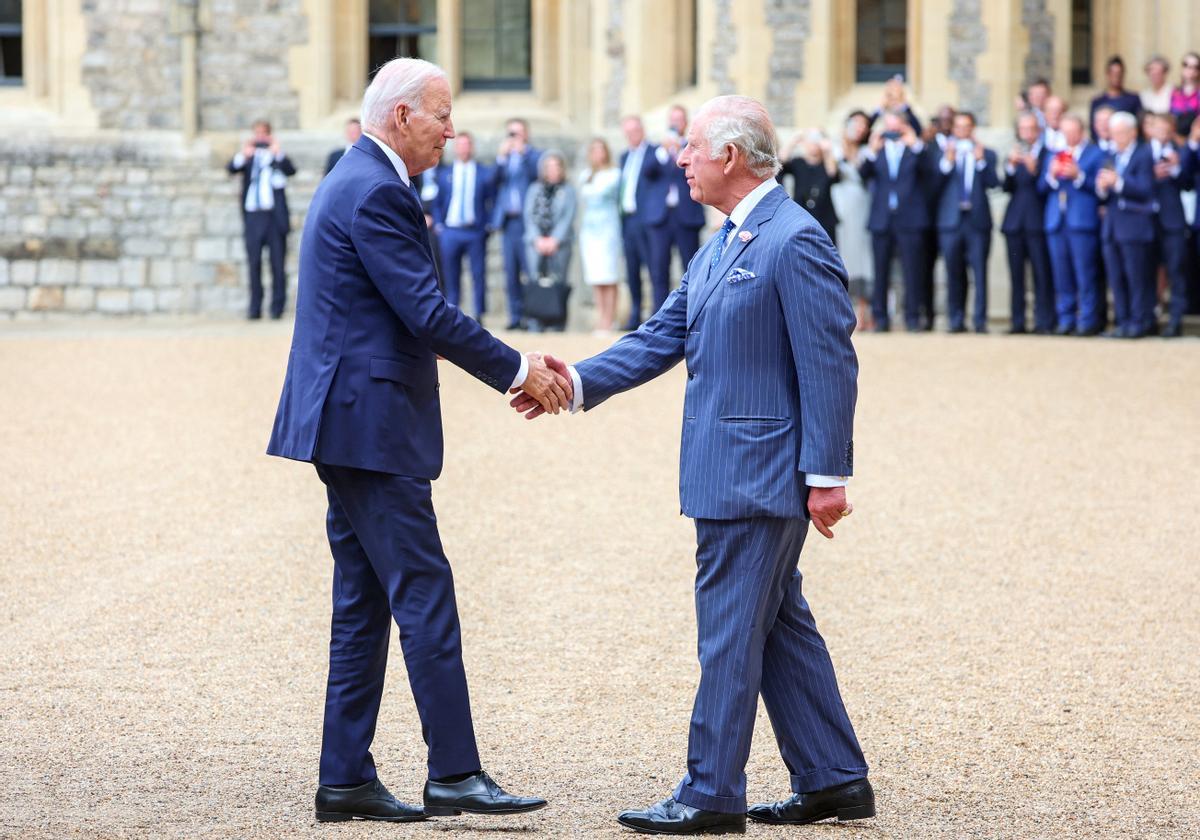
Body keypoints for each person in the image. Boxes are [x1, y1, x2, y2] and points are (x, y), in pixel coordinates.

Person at [513, 93, 872, 837]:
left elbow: (831, 362)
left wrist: (829, 475)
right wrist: (571, 382)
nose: (679, 159)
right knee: (776, 627)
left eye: (691, 148)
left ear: (731, 158)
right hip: (731, 472)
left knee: (729, 635)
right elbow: (658, 336)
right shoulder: (723, 243)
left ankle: (710, 792)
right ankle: (834, 778)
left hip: (757, 476)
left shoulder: (792, 239)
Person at [266, 57, 566, 825]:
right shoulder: (374, 191)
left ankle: (345, 778)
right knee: (424, 592)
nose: (452, 131)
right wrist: (520, 368)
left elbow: (397, 310)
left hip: (351, 421)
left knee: (363, 602)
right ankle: (456, 773)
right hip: (369, 426)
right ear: (401, 116)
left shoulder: (358, 178)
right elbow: (427, 313)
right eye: (441, 115)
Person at [860, 109, 935, 332]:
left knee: (912, 271)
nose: (892, 132)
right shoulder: (878, 151)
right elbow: (863, 174)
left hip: (910, 219)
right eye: (888, 127)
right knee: (880, 271)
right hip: (882, 219)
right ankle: (881, 319)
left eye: (896, 128)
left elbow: (930, 173)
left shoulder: (915, 150)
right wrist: (872, 151)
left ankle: (913, 318)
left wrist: (916, 145)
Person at [1039, 113, 1104, 335]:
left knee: (1085, 273)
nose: (1067, 136)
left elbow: (1100, 188)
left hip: (1082, 222)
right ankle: (1065, 318)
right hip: (1057, 221)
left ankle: (1087, 319)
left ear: (1081, 132)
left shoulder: (1095, 154)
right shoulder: (1053, 155)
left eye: (1071, 132)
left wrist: (1079, 175)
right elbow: (1042, 187)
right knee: (1061, 274)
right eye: (1064, 132)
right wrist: (1052, 175)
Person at [935, 112, 999, 333]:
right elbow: (933, 185)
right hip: (950, 222)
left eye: (967, 126)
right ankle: (955, 319)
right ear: (953, 129)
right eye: (958, 126)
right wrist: (947, 161)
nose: (962, 130)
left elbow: (994, 183)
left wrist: (981, 161)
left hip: (977, 222)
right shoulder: (943, 154)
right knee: (953, 272)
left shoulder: (987, 154)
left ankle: (980, 320)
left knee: (979, 272)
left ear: (973, 128)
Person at [226, 120, 296, 320]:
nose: (260, 138)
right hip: (253, 215)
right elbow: (231, 167)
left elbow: (291, 170)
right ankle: (254, 307)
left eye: (264, 134)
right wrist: (244, 152)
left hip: (273, 216)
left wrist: (277, 152)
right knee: (254, 262)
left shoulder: (276, 157)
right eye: (257, 134)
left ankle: (277, 307)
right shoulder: (248, 158)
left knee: (277, 263)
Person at [1096, 111, 1155, 338]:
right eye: (1113, 133)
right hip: (1111, 226)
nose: (1116, 137)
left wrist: (1118, 182)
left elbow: (1146, 189)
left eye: (1120, 133)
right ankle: (1122, 321)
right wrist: (1102, 186)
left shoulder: (1143, 155)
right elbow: (1102, 193)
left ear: (1133, 132)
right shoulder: (1110, 156)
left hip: (1134, 226)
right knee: (1116, 277)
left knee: (1136, 277)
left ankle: (1139, 321)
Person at [432, 132, 495, 320]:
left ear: (472, 147)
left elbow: (491, 200)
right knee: (450, 274)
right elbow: (438, 201)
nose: (464, 148)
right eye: (460, 145)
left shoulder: (484, 172)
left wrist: (488, 225)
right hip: (450, 231)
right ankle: (452, 314)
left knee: (478, 274)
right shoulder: (444, 173)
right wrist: (439, 224)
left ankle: (478, 315)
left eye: (467, 144)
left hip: (474, 231)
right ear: (455, 148)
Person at [1002, 111, 1055, 334]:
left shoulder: (1047, 154)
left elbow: (1045, 187)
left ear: (1039, 131)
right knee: (1016, 276)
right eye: (1023, 129)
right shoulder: (1015, 153)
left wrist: (1034, 170)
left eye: (1031, 129)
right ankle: (1018, 321)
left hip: (1037, 222)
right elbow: (1006, 187)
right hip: (1015, 222)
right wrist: (1011, 167)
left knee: (1041, 274)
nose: (1027, 133)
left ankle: (1044, 321)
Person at [619, 115, 670, 329]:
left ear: (643, 130)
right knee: (631, 270)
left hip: (647, 219)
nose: (633, 135)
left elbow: (653, 170)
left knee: (654, 268)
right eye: (628, 132)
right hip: (627, 219)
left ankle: (657, 316)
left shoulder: (654, 152)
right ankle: (635, 314)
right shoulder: (623, 157)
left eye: (636, 131)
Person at [492, 118, 542, 329]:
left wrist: (522, 154)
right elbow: (491, 182)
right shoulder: (505, 158)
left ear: (526, 135)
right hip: (508, 222)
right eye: (511, 133)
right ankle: (515, 317)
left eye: (518, 133)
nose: (514, 138)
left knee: (531, 270)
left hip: (528, 222)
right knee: (511, 272)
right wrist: (501, 159)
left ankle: (534, 318)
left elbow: (537, 176)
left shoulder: (534, 156)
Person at [1148, 113, 1193, 337]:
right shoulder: (1142, 151)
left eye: (1167, 129)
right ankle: (1148, 319)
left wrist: (1176, 168)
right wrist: (1151, 175)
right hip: (1146, 222)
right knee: (1147, 272)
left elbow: (1188, 183)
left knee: (1176, 271)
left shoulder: (1181, 152)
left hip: (1173, 221)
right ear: (1151, 129)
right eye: (1158, 128)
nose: (1162, 133)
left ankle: (1175, 320)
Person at [654, 105, 707, 292]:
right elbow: (648, 171)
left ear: (685, 123)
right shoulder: (659, 150)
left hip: (686, 215)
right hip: (662, 217)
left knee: (691, 268)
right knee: (659, 270)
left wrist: (680, 150)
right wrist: (663, 150)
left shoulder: (694, 147)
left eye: (679, 119)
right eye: (672, 120)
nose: (675, 123)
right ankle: (659, 316)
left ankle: (691, 315)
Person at [522, 150, 576, 330]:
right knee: (535, 282)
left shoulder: (568, 190)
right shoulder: (534, 189)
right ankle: (535, 323)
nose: (553, 170)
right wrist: (537, 239)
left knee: (558, 283)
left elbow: (567, 217)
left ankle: (557, 324)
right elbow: (528, 215)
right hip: (535, 244)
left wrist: (555, 240)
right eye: (549, 167)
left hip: (560, 245)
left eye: (556, 166)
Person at [832, 111, 875, 330]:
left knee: (862, 254)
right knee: (842, 252)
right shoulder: (834, 148)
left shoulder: (868, 151)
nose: (859, 128)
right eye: (855, 123)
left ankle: (864, 310)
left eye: (863, 125)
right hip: (840, 203)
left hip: (861, 203)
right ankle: (842, 310)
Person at [578, 138, 623, 333]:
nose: (598, 154)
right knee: (596, 275)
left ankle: (609, 319)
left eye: (600, 149)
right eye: (593, 150)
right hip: (590, 230)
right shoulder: (586, 174)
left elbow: (600, 193)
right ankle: (600, 316)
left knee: (609, 274)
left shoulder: (614, 174)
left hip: (608, 228)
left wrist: (592, 190)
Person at [779, 129, 840, 243]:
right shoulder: (798, 162)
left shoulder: (827, 163)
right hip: (801, 214)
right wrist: (792, 142)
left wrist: (827, 151)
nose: (813, 143)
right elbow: (779, 163)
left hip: (825, 216)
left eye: (817, 139)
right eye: (811, 139)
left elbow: (833, 174)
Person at [1090, 56, 1142, 139]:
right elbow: (1093, 129)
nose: (1116, 77)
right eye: (1113, 73)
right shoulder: (1097, 101)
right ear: (1107, 74)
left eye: (1119, 74)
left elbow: (1138, 125)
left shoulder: (1133, 99)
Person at [1171, 52, 1200, 138]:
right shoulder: (1175, 92)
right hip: (1175, 137)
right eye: (1186, 65)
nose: (1191, 69)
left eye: (1196, 67)